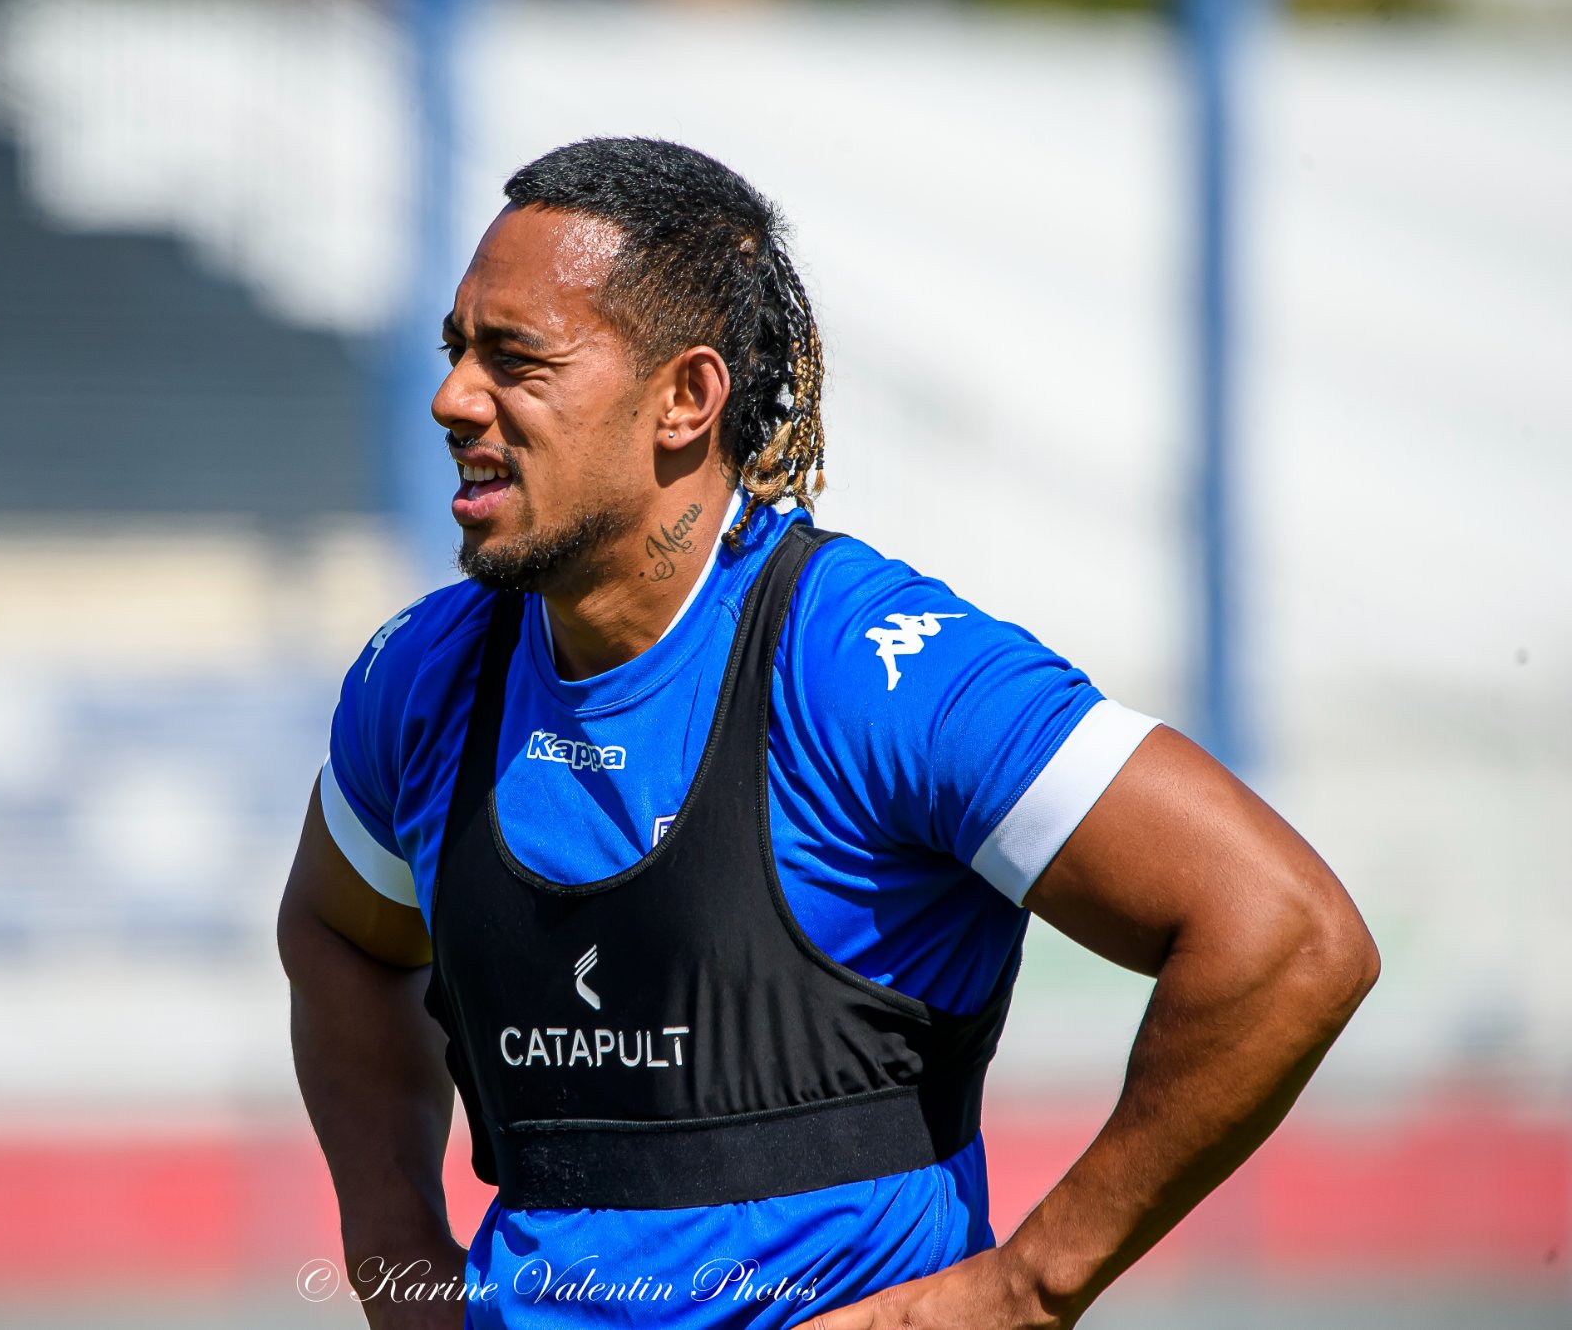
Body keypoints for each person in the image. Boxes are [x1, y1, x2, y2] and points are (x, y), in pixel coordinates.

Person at [277, 137, 1378, 1330]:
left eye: (513, 358)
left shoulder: (865, 669)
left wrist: (1022, 1289)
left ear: (685, 398)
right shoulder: (420, 678)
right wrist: (392, 1249)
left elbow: (1286, 936)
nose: (451, 398)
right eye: (453, 349)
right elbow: (339, 935)